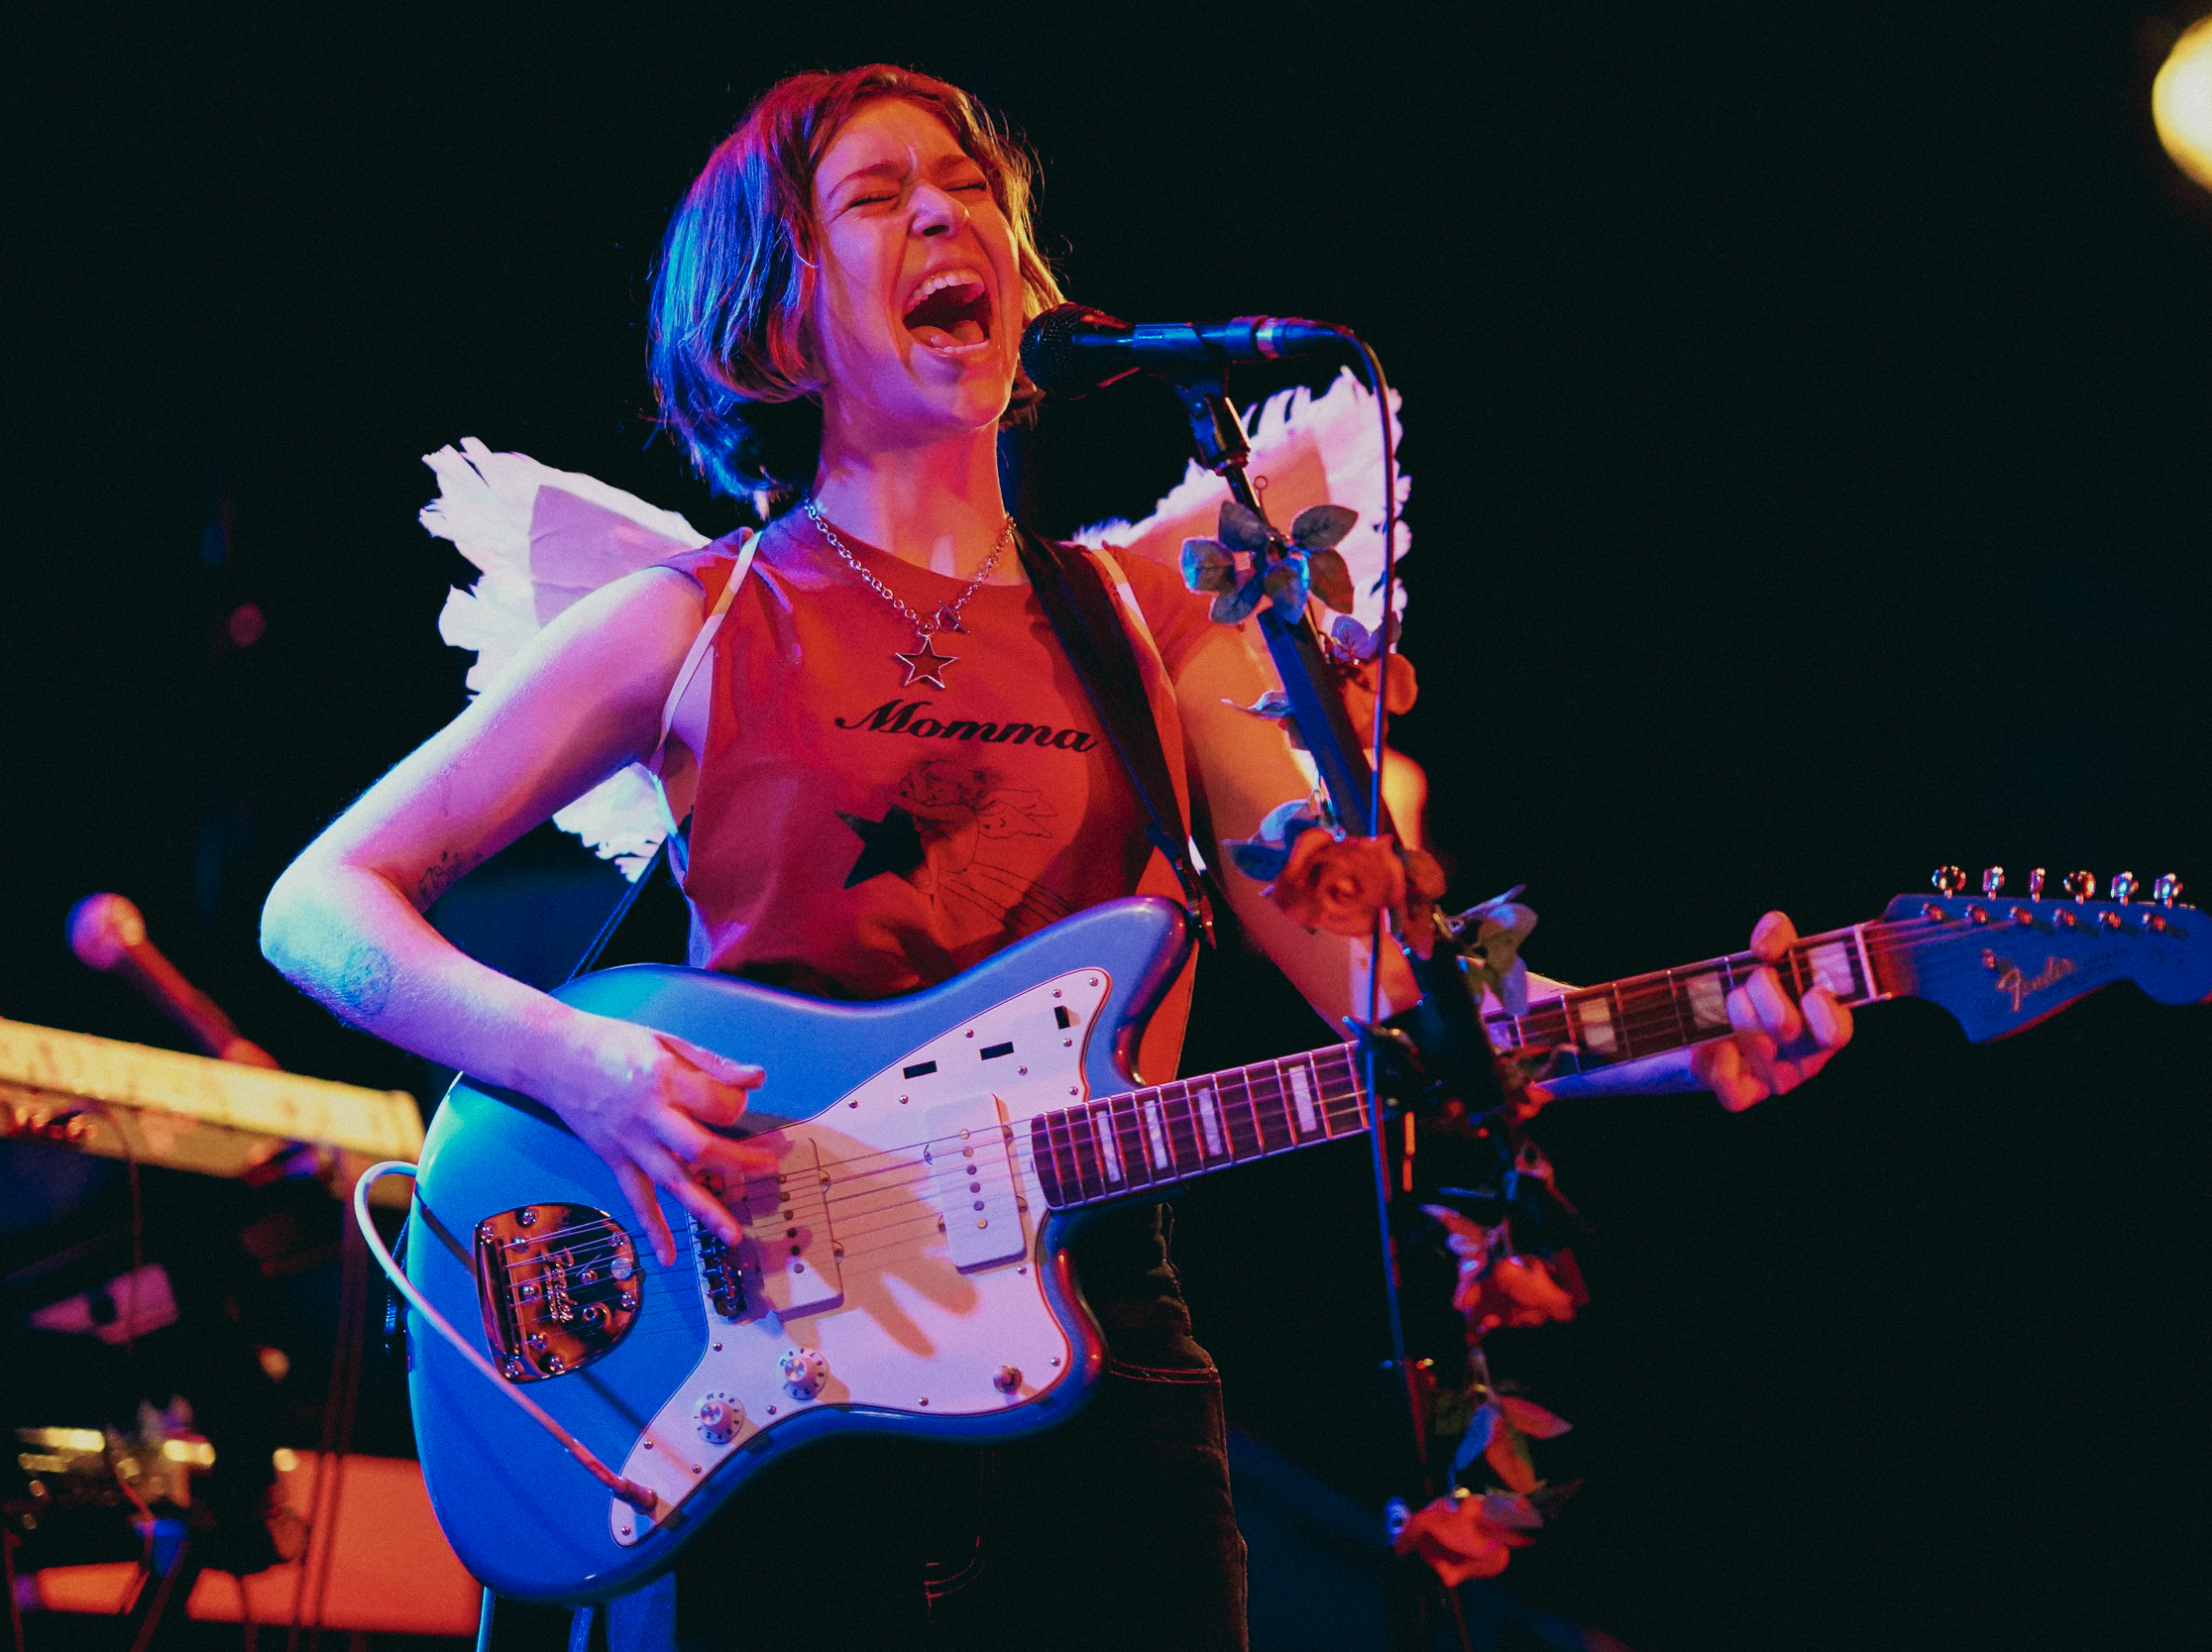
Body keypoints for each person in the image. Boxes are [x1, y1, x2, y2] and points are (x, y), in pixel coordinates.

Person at [260, 63, 1853, 1651]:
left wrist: (1683, 1042)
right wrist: (586, 1062)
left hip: (1109, 1366)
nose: (948, 210)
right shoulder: (695, 619)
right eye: (877, 199)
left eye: (968, 188)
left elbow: (1396, 1005)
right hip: (770, 1356)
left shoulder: (1146, 632)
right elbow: (318, 906)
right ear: (775, 324)